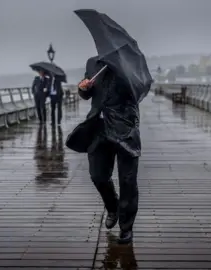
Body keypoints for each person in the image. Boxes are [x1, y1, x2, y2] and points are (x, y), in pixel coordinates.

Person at [77, 56, 141, 244]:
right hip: (99, 127)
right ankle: (112, 206)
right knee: (97, 175)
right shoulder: (92, 63)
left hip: (125, 128)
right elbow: (87, 94)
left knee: (127, 180)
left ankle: (126, 227)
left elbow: (137, 91)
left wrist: (123, 72)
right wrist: (83, 88)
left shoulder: (130, 63)